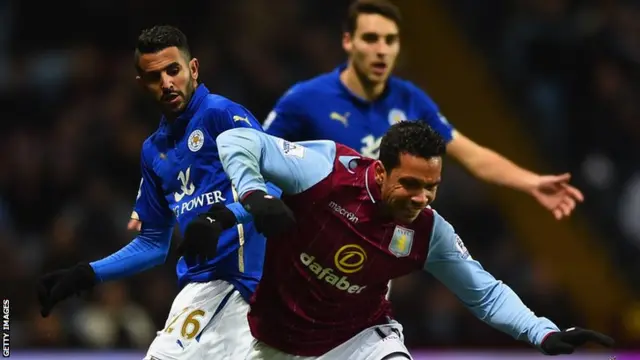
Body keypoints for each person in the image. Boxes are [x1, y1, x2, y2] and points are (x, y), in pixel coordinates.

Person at [195, 122, 613, 359]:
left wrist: (542, 333)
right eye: (411, 184)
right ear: (379, 172)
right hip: (274, 343)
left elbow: (484, 294)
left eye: (432, 186)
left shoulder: (429, 232)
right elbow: (236, 140)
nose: (422, 198)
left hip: (358, 342)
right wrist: (253, 192)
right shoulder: (325, 171)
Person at [36, 25, 281, 360]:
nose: (166, 83)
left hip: (239, 284)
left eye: (173, 70)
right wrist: (86, 274)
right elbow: (153, 243)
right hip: (199, 293)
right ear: (142, 84)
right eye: (155, 76)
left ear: (192, 69)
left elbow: (274, 187)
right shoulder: (154, 151)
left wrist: (221, 218)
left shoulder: (221, 115)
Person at [262, 0, 583, 221]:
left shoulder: (410, 99)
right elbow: (257, 157)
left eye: (390, 40)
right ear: (348, 41)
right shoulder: (303, 100)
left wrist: (530, 182)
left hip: (369, 253)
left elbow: (472, 156)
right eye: (371, 38)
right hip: (306, 246)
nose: (381, 50)